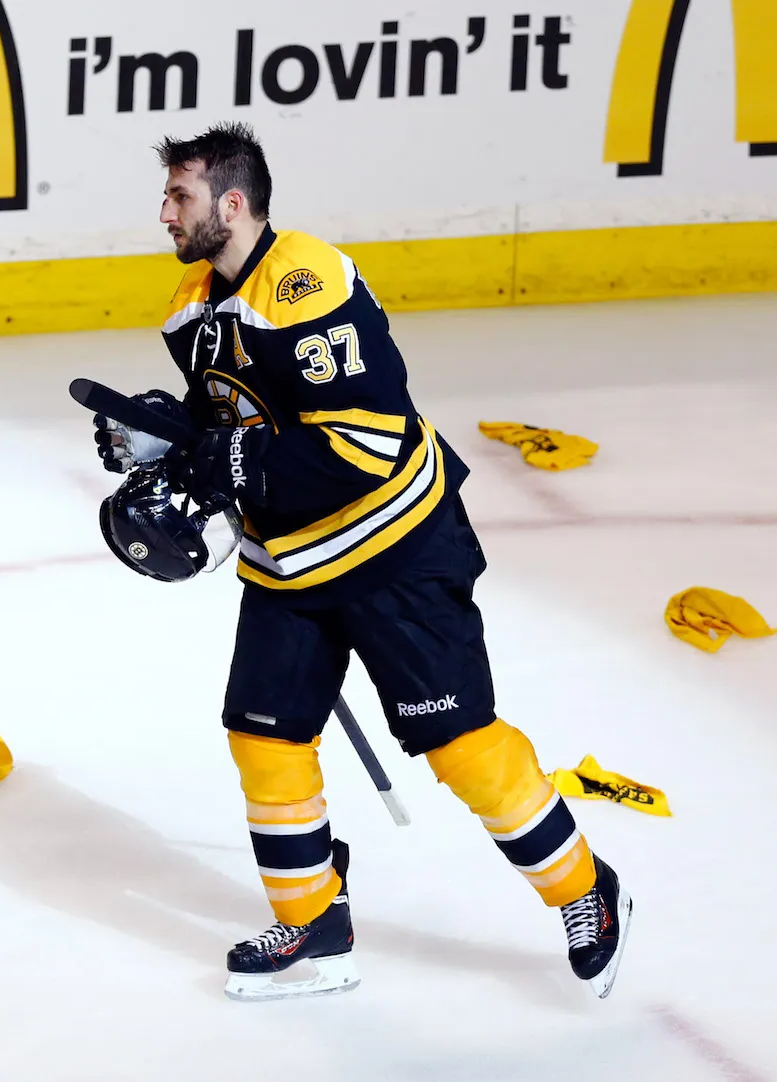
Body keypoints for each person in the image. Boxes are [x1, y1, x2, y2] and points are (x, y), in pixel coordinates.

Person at [90, 122, 632, 1002]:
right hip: (289, 563)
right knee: (263, 738)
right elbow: (231, 415)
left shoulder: (306, 283)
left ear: (233, 203)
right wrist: (165, 434)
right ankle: (314, 927)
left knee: (462, 748)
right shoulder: (191, 308)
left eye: (178, 197)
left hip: (396, 549)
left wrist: (224, 463)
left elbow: (363, 442)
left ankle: (587, 891)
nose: (163, 214)